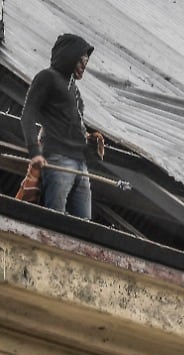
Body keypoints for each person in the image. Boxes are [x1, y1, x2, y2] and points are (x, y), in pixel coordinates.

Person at [20, 33, 100, 219]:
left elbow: (71, 124)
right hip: (58, 158)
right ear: (70, 57)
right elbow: (28, 115)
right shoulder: (47, 77)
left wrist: (89, 141)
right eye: (81, 61)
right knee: (55, 217)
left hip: (79, 162)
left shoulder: (74, 89)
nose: (84, 66)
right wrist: (34, 152)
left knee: (84, 222)